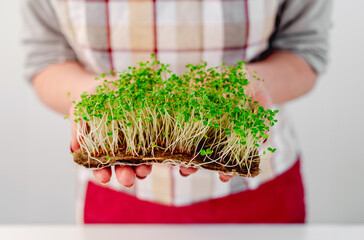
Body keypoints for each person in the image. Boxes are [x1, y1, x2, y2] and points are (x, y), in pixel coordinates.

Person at [22, 0, 331, 223]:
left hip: (261, 194)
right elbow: (45, 58)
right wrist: (90, 94)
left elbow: (305, 51)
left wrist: (248, 83)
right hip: (119, 201)